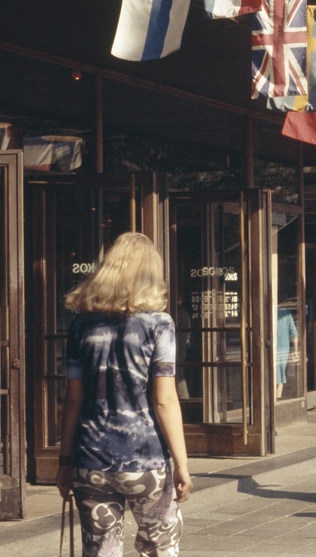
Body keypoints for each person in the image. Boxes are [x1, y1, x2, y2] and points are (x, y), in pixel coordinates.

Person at [56, 232, 193, 556]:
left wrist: (64, 461)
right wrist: (182, 464)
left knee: (101, 549)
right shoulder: (159, 324)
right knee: (160, 545)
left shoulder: (81, 326)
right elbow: (164, 399)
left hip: (91, 460)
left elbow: (72, 399)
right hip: (144, 459)